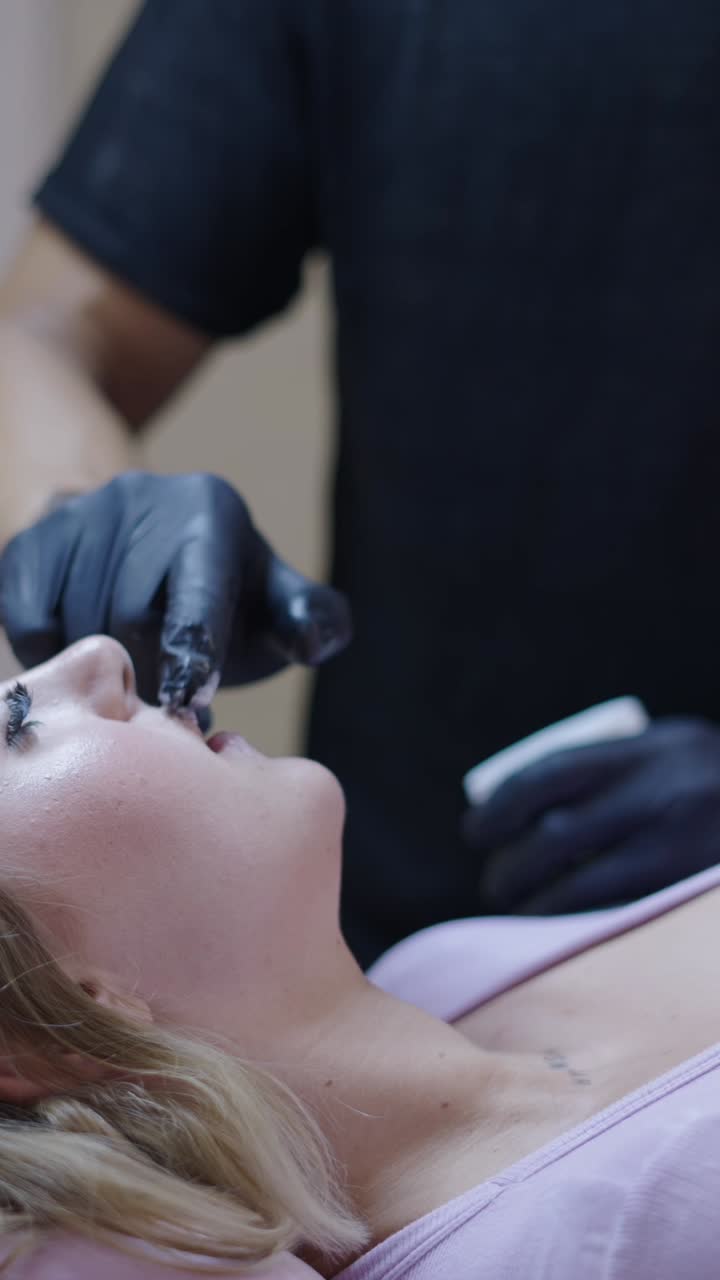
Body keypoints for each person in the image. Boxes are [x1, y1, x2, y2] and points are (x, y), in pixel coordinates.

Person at [1, 2, 720, 969]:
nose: (89, 682)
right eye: (15, 729)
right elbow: (46, 337)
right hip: (421, 921)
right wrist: (98, 523)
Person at [0, 634, 718, 1279]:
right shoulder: (565, 1252)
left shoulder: (443, 965)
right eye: (16, 725)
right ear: (45, 1041)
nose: (100, 652)